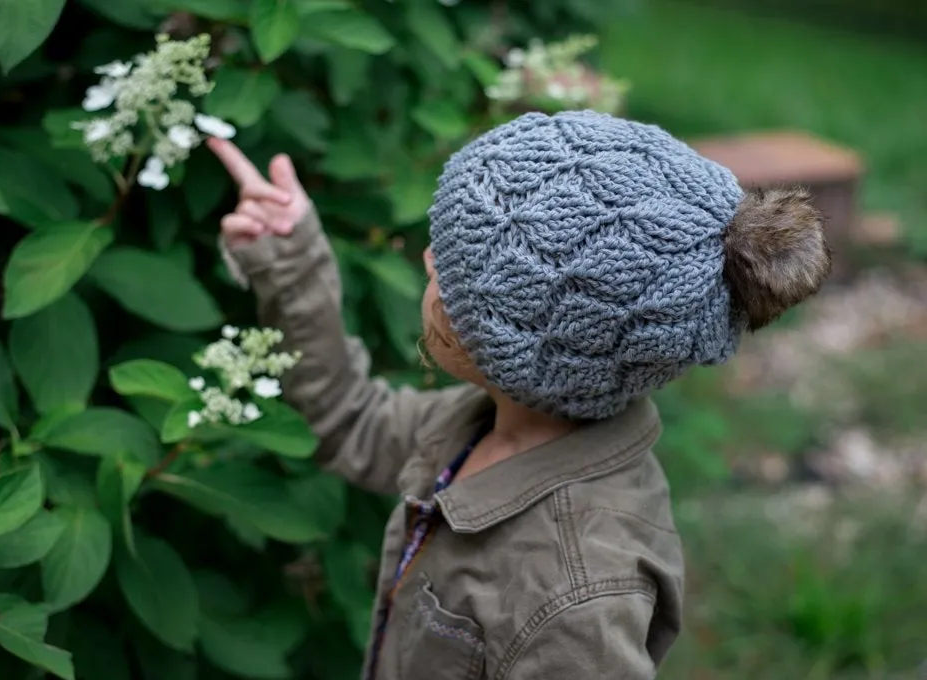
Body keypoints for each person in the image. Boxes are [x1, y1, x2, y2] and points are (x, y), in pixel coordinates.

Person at [210, 111, 831, 680]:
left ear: (516, 339)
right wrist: (292, 263)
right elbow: (351, 424)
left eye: (450, 269)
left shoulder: (577, 598)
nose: (428, 257)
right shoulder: (485, 426)